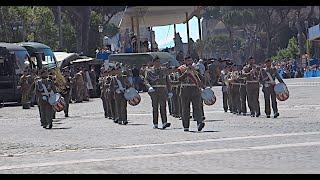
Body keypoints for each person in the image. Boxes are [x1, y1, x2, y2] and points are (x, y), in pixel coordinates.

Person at [178, 56, 205, 132]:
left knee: (197, 107)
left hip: (195, 89)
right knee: (185, 109)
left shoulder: (196, 68)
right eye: (188, 61)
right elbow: (179, 79)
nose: (190, 62)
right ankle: (186, 126)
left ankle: (199, 123)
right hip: (185, 90)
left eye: (191, 61)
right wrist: (186, 73)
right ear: (185, 61)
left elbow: (202, 78)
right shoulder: (181, 69)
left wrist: (195, 72)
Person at [144, 56, 172, 129]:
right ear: (153, 62)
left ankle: (164, 122)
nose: (158, 63)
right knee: (155, 107)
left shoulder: (164, 70)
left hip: (162, 90)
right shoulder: (149, 71)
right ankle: (155, 123)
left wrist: (169, 91)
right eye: (156, 62)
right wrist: (149, 87)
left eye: (159, 62)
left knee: (163, 106)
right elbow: (146, 81)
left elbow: (167, 81)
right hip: (154, 90)